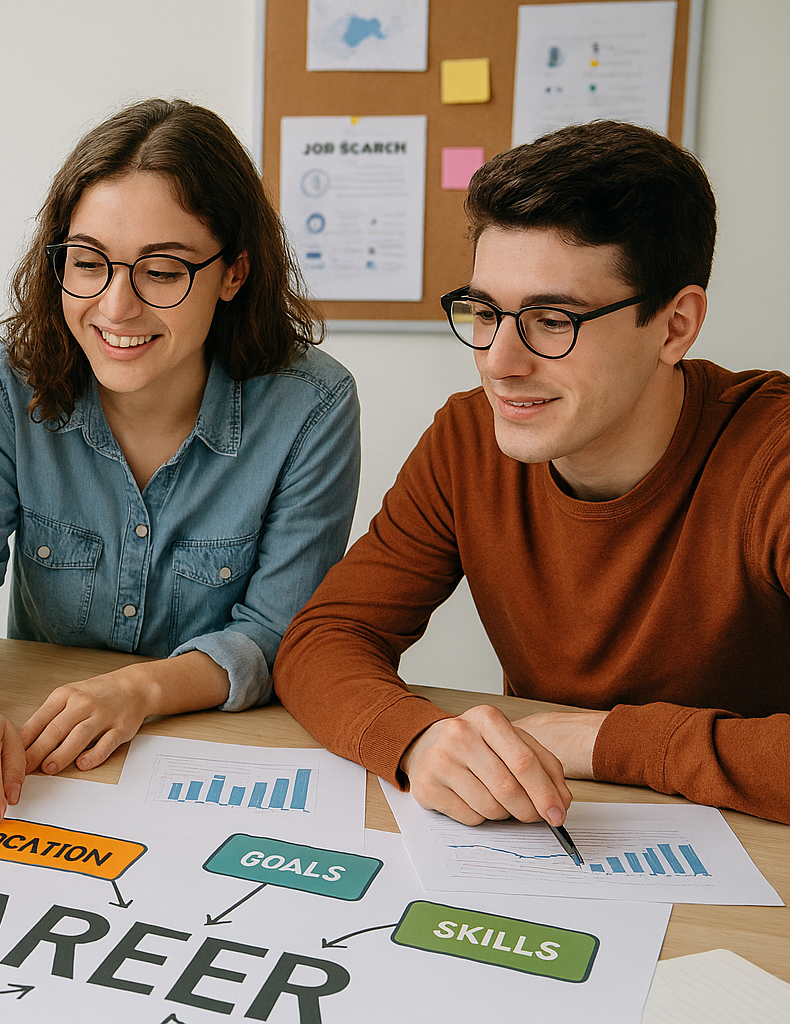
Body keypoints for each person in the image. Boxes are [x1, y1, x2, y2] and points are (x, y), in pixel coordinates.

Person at [275, 120, 790, 827]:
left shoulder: (774, 456)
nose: (499, 361)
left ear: (674, 327)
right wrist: (418, 739)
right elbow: (324, 640)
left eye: (552, 319)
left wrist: (605, 739)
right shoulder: (468, 438)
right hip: (554, 830)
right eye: (485, 311)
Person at [0, 99, 361, 824]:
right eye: (88, 263)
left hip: (220, 762)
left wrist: (140, 690)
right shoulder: (6, 385)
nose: (116, 307)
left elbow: (276, 635)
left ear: (232, 273)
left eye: (162, 272)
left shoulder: (313, 407)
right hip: (50, 764)